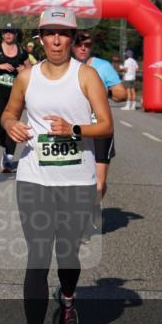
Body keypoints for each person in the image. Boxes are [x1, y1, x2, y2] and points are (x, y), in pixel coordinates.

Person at [1, 7, 113, 324]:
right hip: (34, 177)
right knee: (37, 257)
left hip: (76, 180)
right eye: (50, 32)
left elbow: (106, 125)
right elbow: (9, 111)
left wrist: (74, 129)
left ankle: (67, 298)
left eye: (63, 33)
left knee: (67, 255)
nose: (56, 40)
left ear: (73, 38)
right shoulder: (26, 77)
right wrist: (9, 126)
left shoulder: (87, 76)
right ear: (40, 37)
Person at [71, 31, 127, 200]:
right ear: (72, 45)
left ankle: (92, 212)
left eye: (87, 45)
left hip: (99, 126)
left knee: (99, 183)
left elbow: (121, 94)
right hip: (72, 127)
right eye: (79, 44)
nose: (83, 48)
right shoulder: (65, 66)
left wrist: (104, 91)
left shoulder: (102, 66)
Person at [0, 24, 29, 172]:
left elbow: (30, 72)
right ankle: (6, 151)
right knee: (1, 124)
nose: (8, 35)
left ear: (16, 34)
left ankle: (8, 159)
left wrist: (23, 70)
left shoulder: (22, 52)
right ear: (2, 34)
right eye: (5, 32)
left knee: (13, 124)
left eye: (11, 32)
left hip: (15, 94)